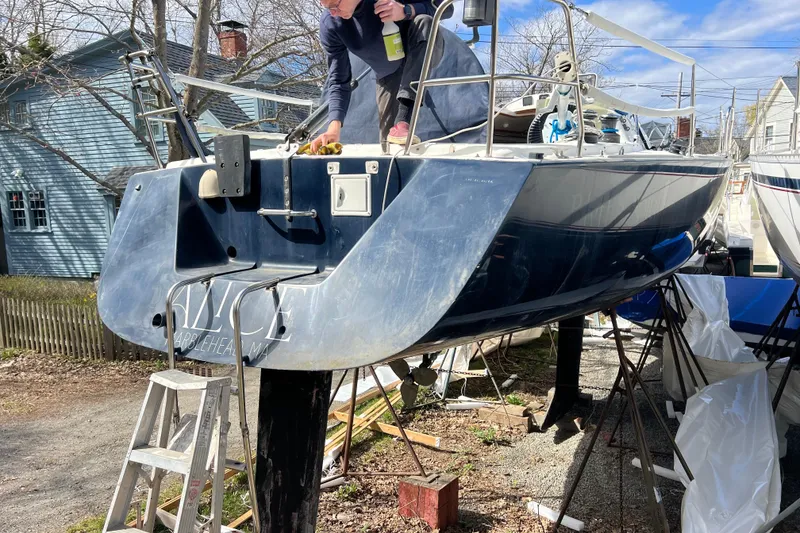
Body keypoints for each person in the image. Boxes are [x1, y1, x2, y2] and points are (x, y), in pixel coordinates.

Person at [311, 0, 452, 152]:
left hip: (422, 45)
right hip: (388, 75)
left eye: (335, 5)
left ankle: (403, 120)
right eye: (327, 7)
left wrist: (406, 10)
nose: (332, 12)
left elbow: (447, 8)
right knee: (387, 148)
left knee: (425, 21)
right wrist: (333, 128)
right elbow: (338, 79)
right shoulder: (330, 24)